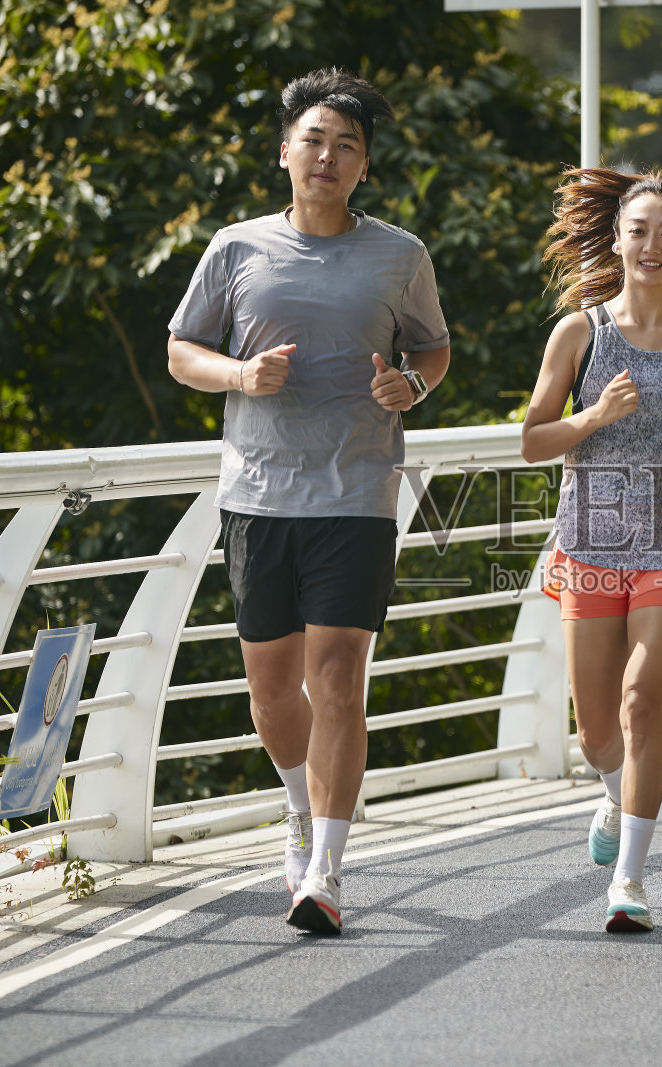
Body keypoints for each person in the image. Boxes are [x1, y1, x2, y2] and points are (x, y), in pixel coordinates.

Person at [166, 68, 450, 934]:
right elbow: (183, 350)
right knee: (273, 692)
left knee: (339, 681)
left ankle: (324, 867)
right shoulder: (237, 247)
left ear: (365, 166)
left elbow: (433, 352)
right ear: (286, 151)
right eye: (314, 140)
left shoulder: (399, 254)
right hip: (257, 493)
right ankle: (297, 804)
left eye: (347, 145)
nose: (328, 156)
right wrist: (240, 375)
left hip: (358, 490)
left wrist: (410, 385)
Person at [521, 168, 662, 932]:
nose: (652, 245)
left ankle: (631, 878)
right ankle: (613, 790)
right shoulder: (579, 332)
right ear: (616, 240)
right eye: (639, 230)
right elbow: (531, 440)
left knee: (645, 701)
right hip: (589, 541)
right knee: (598, 732)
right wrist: (591, 417)